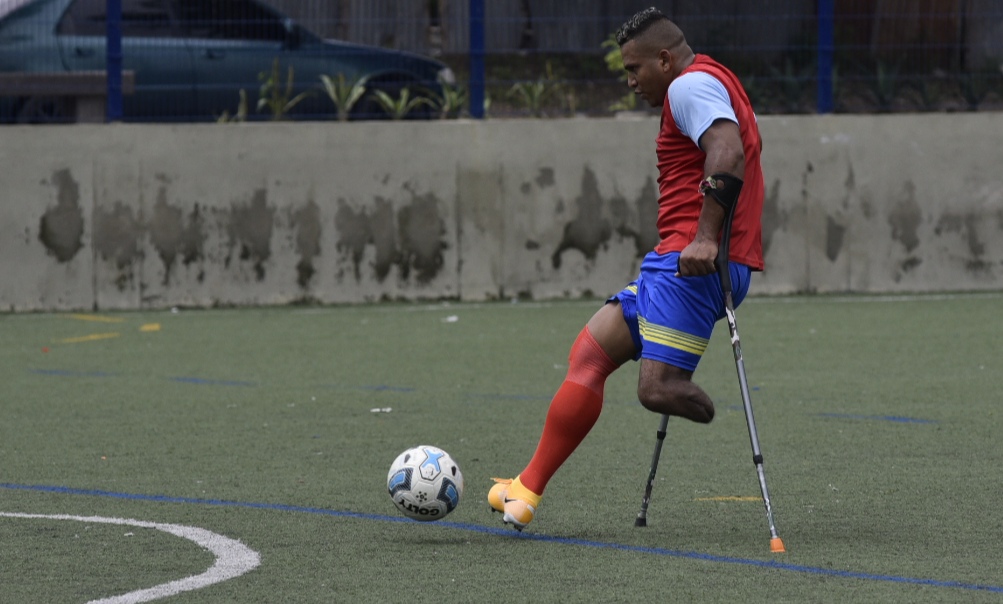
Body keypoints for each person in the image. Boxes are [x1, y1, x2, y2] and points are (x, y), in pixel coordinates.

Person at [488, 6, 765, 530]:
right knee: (589, 353)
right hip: (673, 261)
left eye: (634, 69)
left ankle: (697, 400)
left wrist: (705, 238)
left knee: (655, 389)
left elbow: (727, 152)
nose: (631, 81)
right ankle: (525, 489)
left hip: (691, 265)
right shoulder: (711, 77)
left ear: (664, 59)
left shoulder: (688, 88)